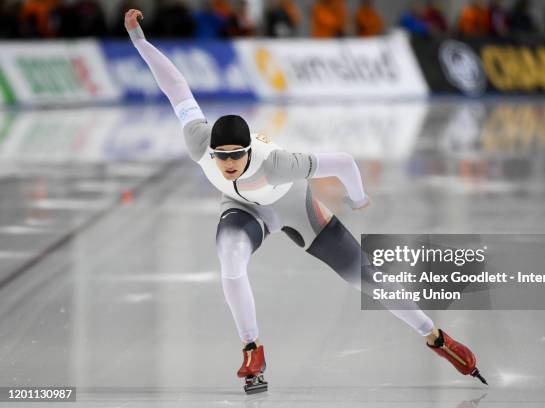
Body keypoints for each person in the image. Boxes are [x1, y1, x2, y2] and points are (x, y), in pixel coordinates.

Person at [123, 8, 487, 394]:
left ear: (249, 151)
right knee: (229, 257)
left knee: (364, 279)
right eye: (221, 156)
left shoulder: (278, 164)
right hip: (244, 209)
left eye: (235, 155)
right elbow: (176, 87)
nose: (228, 163)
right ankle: (252, 348)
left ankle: (435, 337)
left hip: (296, 207)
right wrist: (140, 42)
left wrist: (358, 197)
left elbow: (343, 162)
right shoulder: (199, 139)